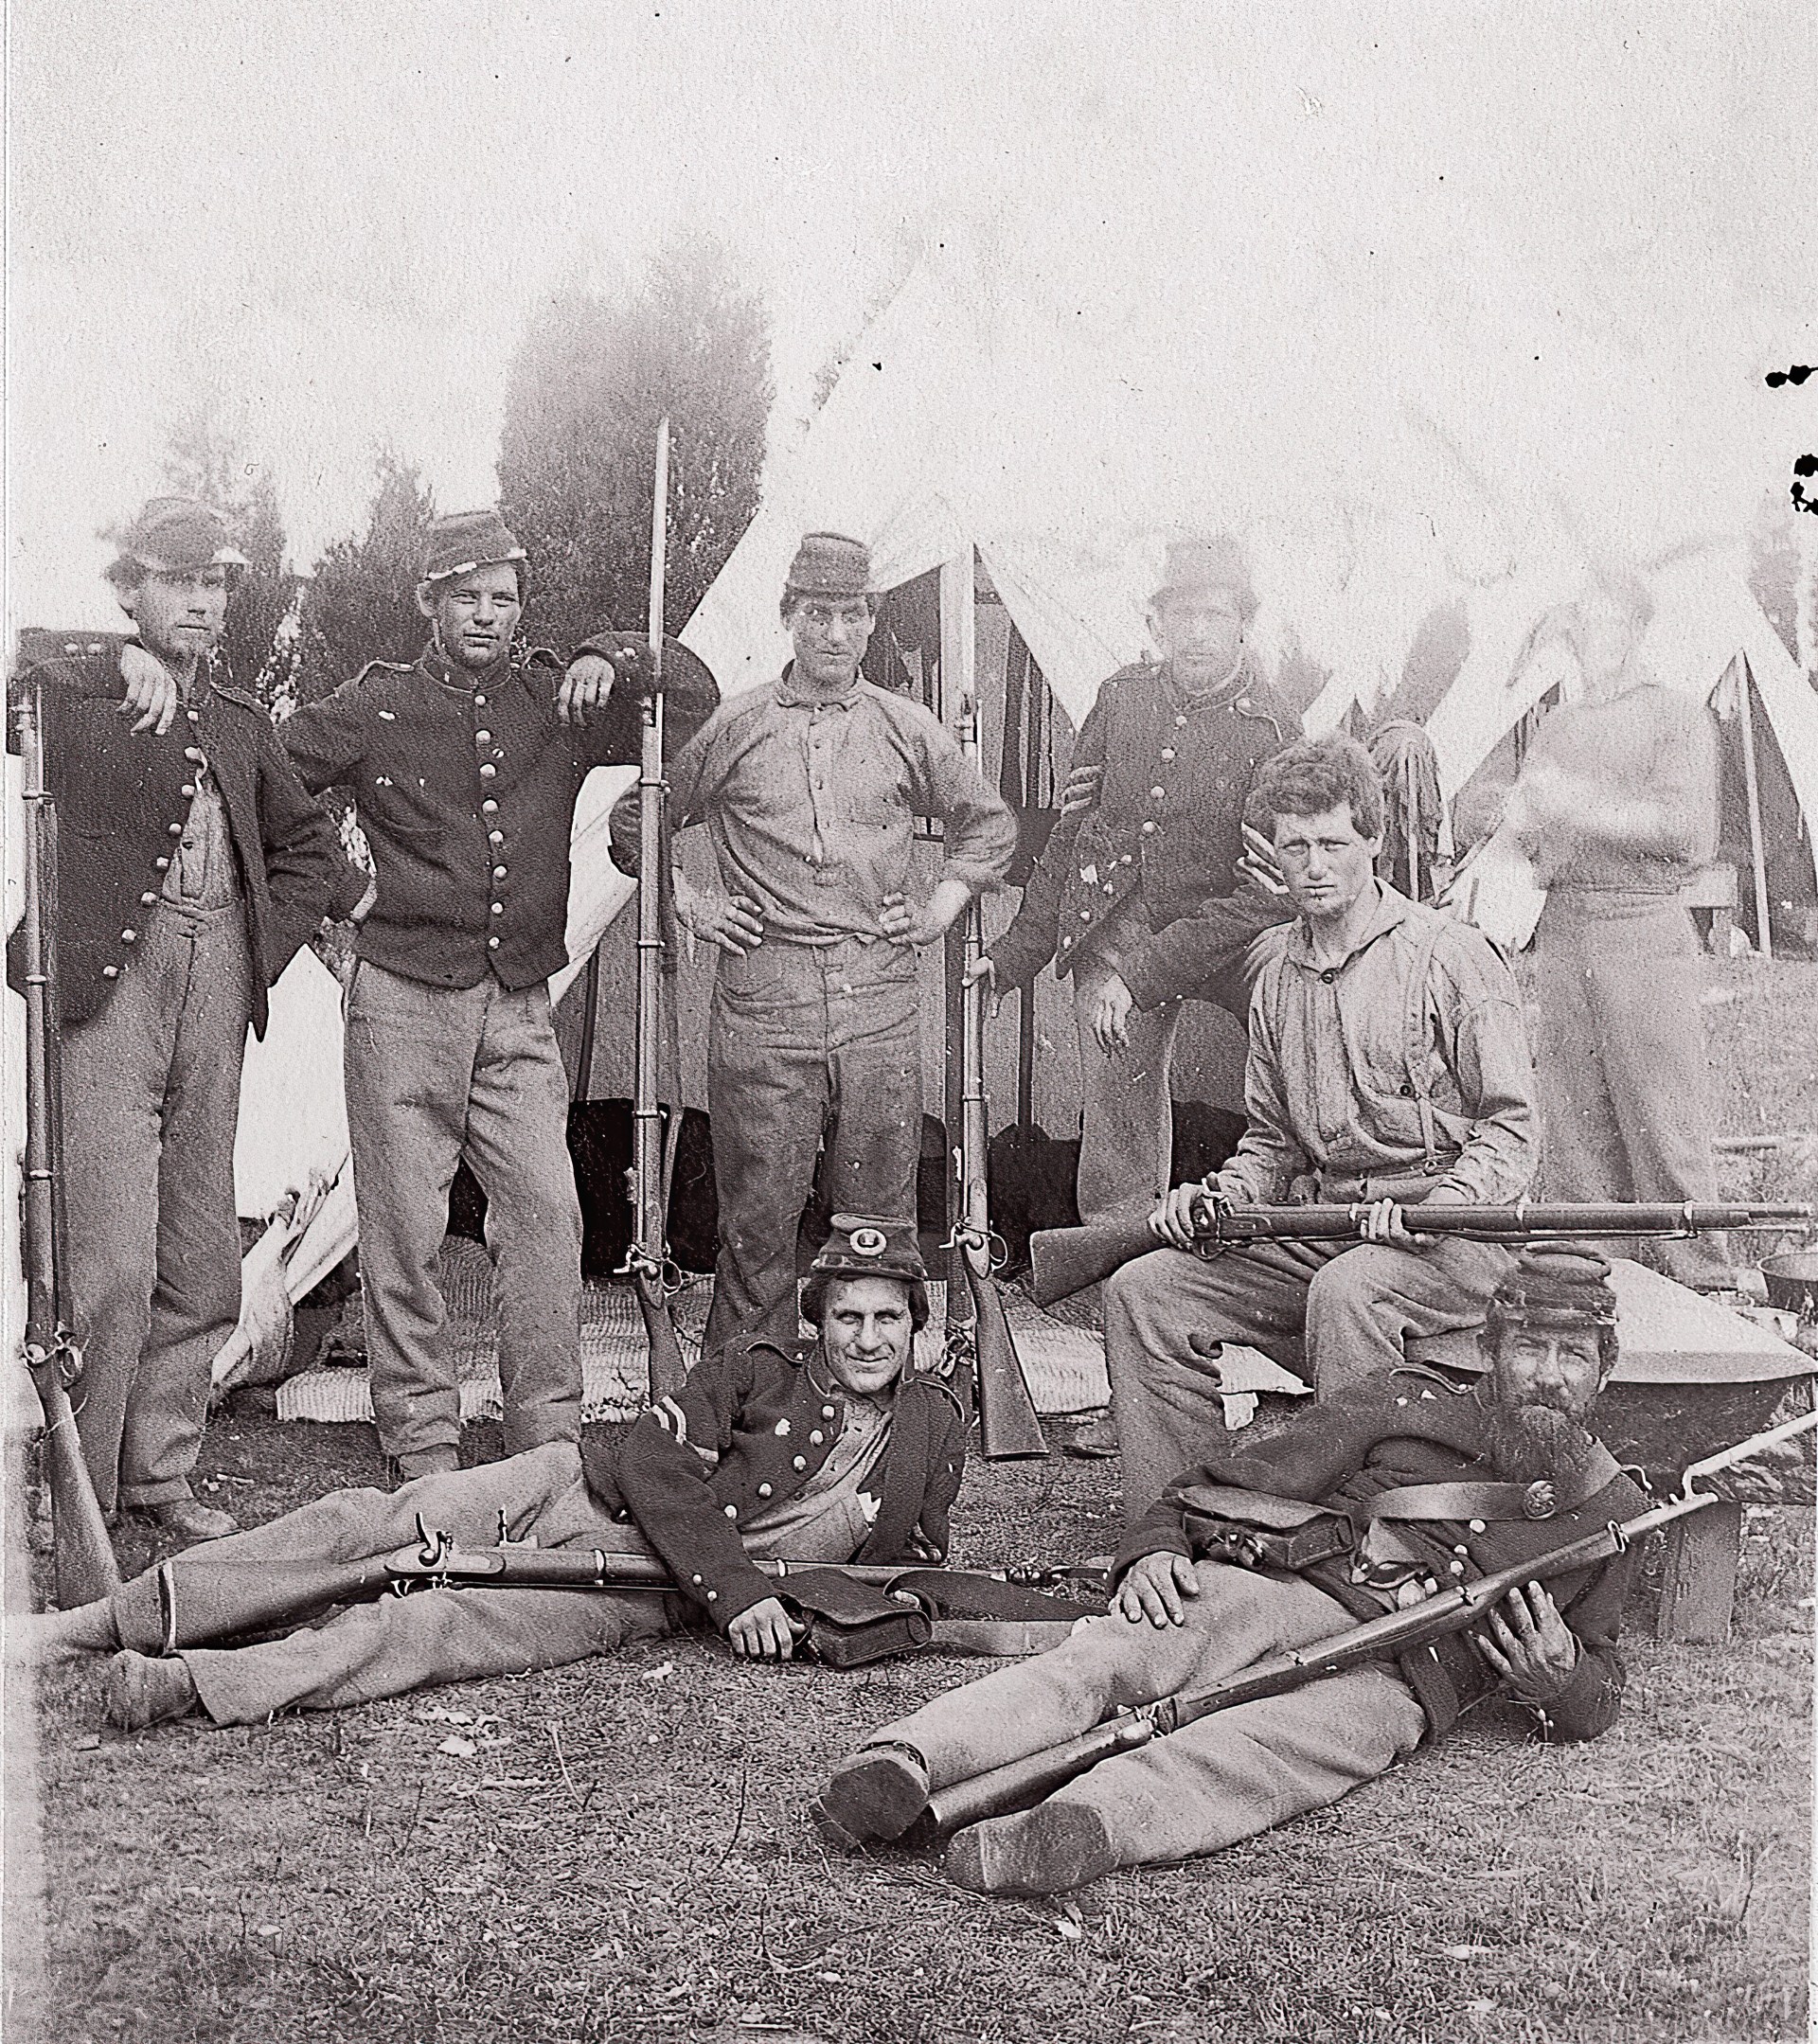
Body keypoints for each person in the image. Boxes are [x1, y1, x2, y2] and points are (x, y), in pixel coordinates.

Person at [814, 1247, 1646, 1896]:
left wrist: (1562, 1679)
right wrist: (1156, 1546)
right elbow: (1220, 1481)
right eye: (1530, 1347)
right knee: (1116, 1658)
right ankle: (909, 1760)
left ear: (1603, 1371)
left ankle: (1080, 1827)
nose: (1548, 1373)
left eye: (1573, 1354)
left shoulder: (1609, 1510)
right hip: (1286, 1590)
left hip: (1407, 1677)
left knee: (1259, 1757)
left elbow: (1599, 1677)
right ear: (1492, 1352)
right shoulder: (1403, 1403)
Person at [30, 1218, 966, 1731]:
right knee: (373, 1520)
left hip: (643, 1591)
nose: (869, 1338)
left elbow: (915, 1570)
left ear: (916, 1328)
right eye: (849, 1317)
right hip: (569, 1486)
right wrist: (740, 1593)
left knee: (434, 1624)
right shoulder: (761, 1367)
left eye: (889, 1319)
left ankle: (193, 1684)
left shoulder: (931, 1429)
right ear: (821, 1321)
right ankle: (95, 1623)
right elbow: (649, 1458)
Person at [275, 510, 719, 1479]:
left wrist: (611, 652)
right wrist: (336, 893)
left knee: (548, 1217)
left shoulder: (553, 699)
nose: (487, 615)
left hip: (518, 1006)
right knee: (406, 1233)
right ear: (429, 603)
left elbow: (692, 695)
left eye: (504, 598)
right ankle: (424, 1445)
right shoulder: (375, 706)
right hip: (398, 1002)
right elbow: (268, 777)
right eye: (467, 597)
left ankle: (545, 1442)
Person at [7, 496, 360, 1542]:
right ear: (130, 588)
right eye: (179, 580)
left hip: (213, 995)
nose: (202, 600)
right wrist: (111, 660)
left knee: (202, 1258)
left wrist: (261, 946)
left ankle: (160, 1474)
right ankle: (85, 1496)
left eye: (214, 583)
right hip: (108, 994)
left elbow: (315, 855)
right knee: (107, 1264)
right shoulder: (76, 698)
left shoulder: (246, 723)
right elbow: (10, 669)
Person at [1104, 735, 1538, 1520]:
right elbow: (1270, 1143)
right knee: (1146, 1290)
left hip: (1456, 1239)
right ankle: (1181, 1528)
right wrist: (1216, 1199)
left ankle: (1357, 1542)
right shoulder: (1275, 972)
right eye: (1294, 844)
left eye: (1334, 843)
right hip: (1328, 1223)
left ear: (1373, 840)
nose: (1314, 864)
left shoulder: (1451, 955)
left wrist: (1441, 1207)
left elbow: (1511, 1129)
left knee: (1350, 1294)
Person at [642, 531, 1016, 1352]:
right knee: (757, 1219)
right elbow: (640, 814)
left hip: (878, 991)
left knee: (879, 1215)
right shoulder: (734, 725)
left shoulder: (905, 726)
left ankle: (880, 1407)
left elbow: (988, 824)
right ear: (788, 617)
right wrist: (691, 899)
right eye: (818, 614)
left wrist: (943, 900)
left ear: (873, 622)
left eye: (852, 615)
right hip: (762, 996)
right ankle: (747, 1408)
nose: (835, 634)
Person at [974, 535, 1297, 1226]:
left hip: (1232, 932)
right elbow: (1071, 837)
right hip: (1123, 922)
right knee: (1116, 1074)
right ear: (1158, 623)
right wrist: (1013, 955)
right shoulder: (1121, 699)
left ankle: (1296, 1224)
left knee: (1296, 992)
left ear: (1244, 622)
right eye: (1183, 615)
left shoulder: (1274, 728)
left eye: (1215, 615)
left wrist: (1148, 971)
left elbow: (1270, 892)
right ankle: (1117, 1262)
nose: (1199, 633)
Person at [1501, 570, 1728, 1289]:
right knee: (1573, 1121)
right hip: (1565, 930)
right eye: (1582, 625)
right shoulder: (1559, 724)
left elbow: (1683, 829)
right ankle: (1591, 1283)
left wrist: (1574, 804)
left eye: (1608, 624)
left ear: (1635, 628)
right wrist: (1510, 819)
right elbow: (1529, 829)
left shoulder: (1676, 716)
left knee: (1662, 1118)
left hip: (1641, 927)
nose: (1593, 639)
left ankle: (1706, 1281)